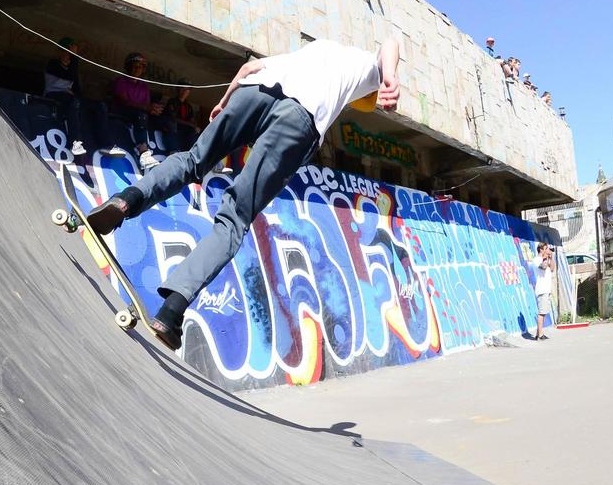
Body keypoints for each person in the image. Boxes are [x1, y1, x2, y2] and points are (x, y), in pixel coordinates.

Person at [87, 37, 402, 348]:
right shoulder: (362, 68)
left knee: (192, 160)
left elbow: (248, 68)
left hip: (253, 93)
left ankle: (125, 201)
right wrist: (389, 77)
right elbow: (391, 42)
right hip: (298, 119)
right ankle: (171, 311)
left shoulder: (307, 52)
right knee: (235, 217)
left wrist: (225, 101)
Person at [110, 52, 164, 168]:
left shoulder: (144, 86)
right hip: (122, 110)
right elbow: (124, 102)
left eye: (140, 67)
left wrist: (153, 109)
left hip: (139, 113)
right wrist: (147, 108)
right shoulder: (121, 81)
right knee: (141, 115)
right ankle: (143, 152)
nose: (137, 69)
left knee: (164, 121)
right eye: (134, 66)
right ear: (128, 67)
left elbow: (147, 104)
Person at [42, 37, 88, 156]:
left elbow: (77, 89)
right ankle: (75, 142)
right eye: (68, 52)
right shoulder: (53, 63)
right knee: (73, 102)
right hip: (52, 94)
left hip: (67, 97)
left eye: (71, 54)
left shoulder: (72, 68)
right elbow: (69, 76)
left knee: (86, 104)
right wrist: (75, 59)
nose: (69, 56)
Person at [533, 243, 554, 340]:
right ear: (541, 250)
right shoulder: (536, 260)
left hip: (547, 289)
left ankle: (538, 333)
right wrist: (545, 258)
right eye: (546, 249)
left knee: (544, 312)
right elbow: (544, 267)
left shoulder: (546, 258)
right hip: (541, 290)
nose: (547, 250)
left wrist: (551, 257)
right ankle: (540, 335)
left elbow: (552, 268)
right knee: (541, 312)